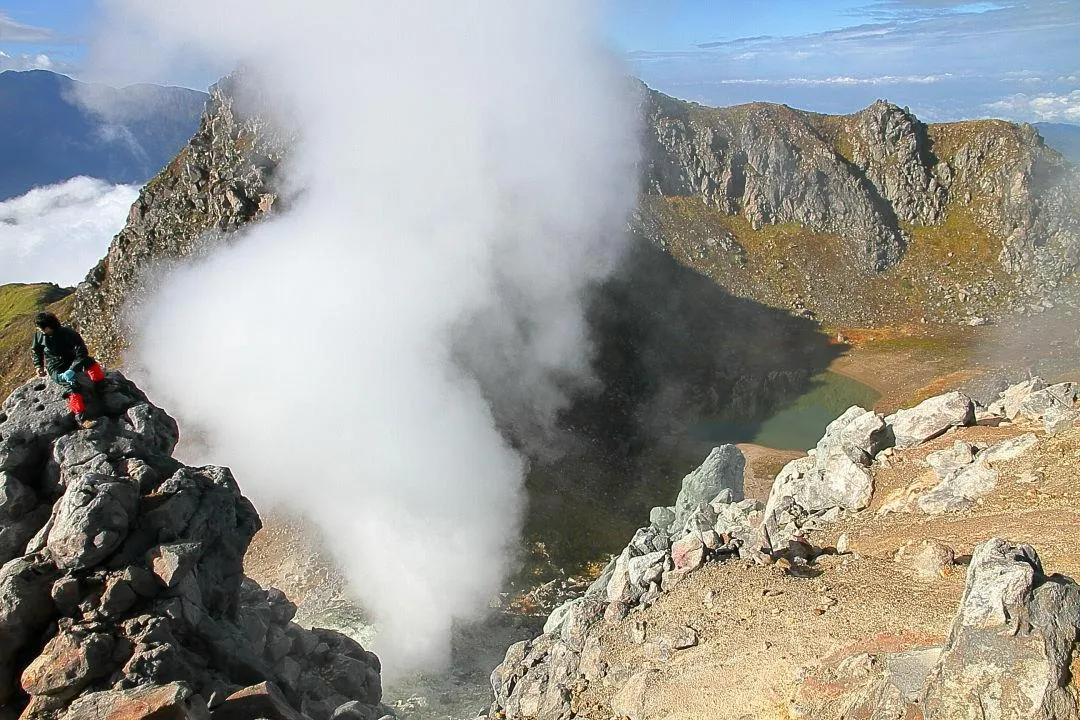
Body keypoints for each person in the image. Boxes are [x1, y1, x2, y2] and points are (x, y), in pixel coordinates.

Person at [30, 312, 105, 429]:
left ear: (48, 327)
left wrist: (73, 369)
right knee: (72, 386)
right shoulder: (39, 336)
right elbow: (36, 350)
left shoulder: (68, 334)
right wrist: (38, 365)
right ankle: (82, 418)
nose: (39, 330)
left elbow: (82, 353)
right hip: (55, 366)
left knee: (90, 362)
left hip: (71, 360)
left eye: (41, 328)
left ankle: (101, 385)